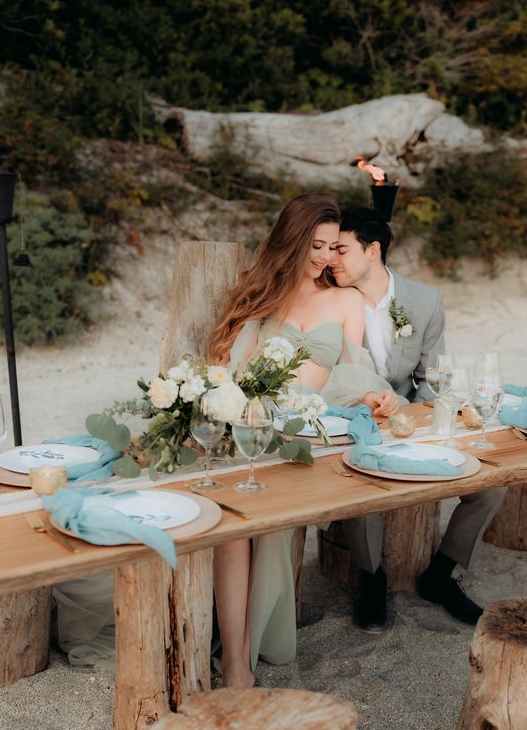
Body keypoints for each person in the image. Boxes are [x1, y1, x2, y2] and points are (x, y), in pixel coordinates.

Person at [207, 194, 398, 688]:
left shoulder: (345, 300)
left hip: (307, 433)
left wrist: (374, 396)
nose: (325, 257)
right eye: (316, 245)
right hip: (251, 424)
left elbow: (353, 372)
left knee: (258, 517)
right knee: (233, 525)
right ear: (293, 241)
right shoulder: (261, 295)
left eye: (334, 247)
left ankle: (239, 653)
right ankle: (235, 664)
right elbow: (227, 369)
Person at [329, 205, 506, 632]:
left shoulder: (425, 301)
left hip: (413, 416)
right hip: (353, 419)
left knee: (491, 485)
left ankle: (440, 575)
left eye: (340, 250)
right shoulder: (329, 299)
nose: (330, 260)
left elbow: (433, 377)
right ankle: (372, 582)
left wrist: (410, 419)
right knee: (359, 488)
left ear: (372, 251)